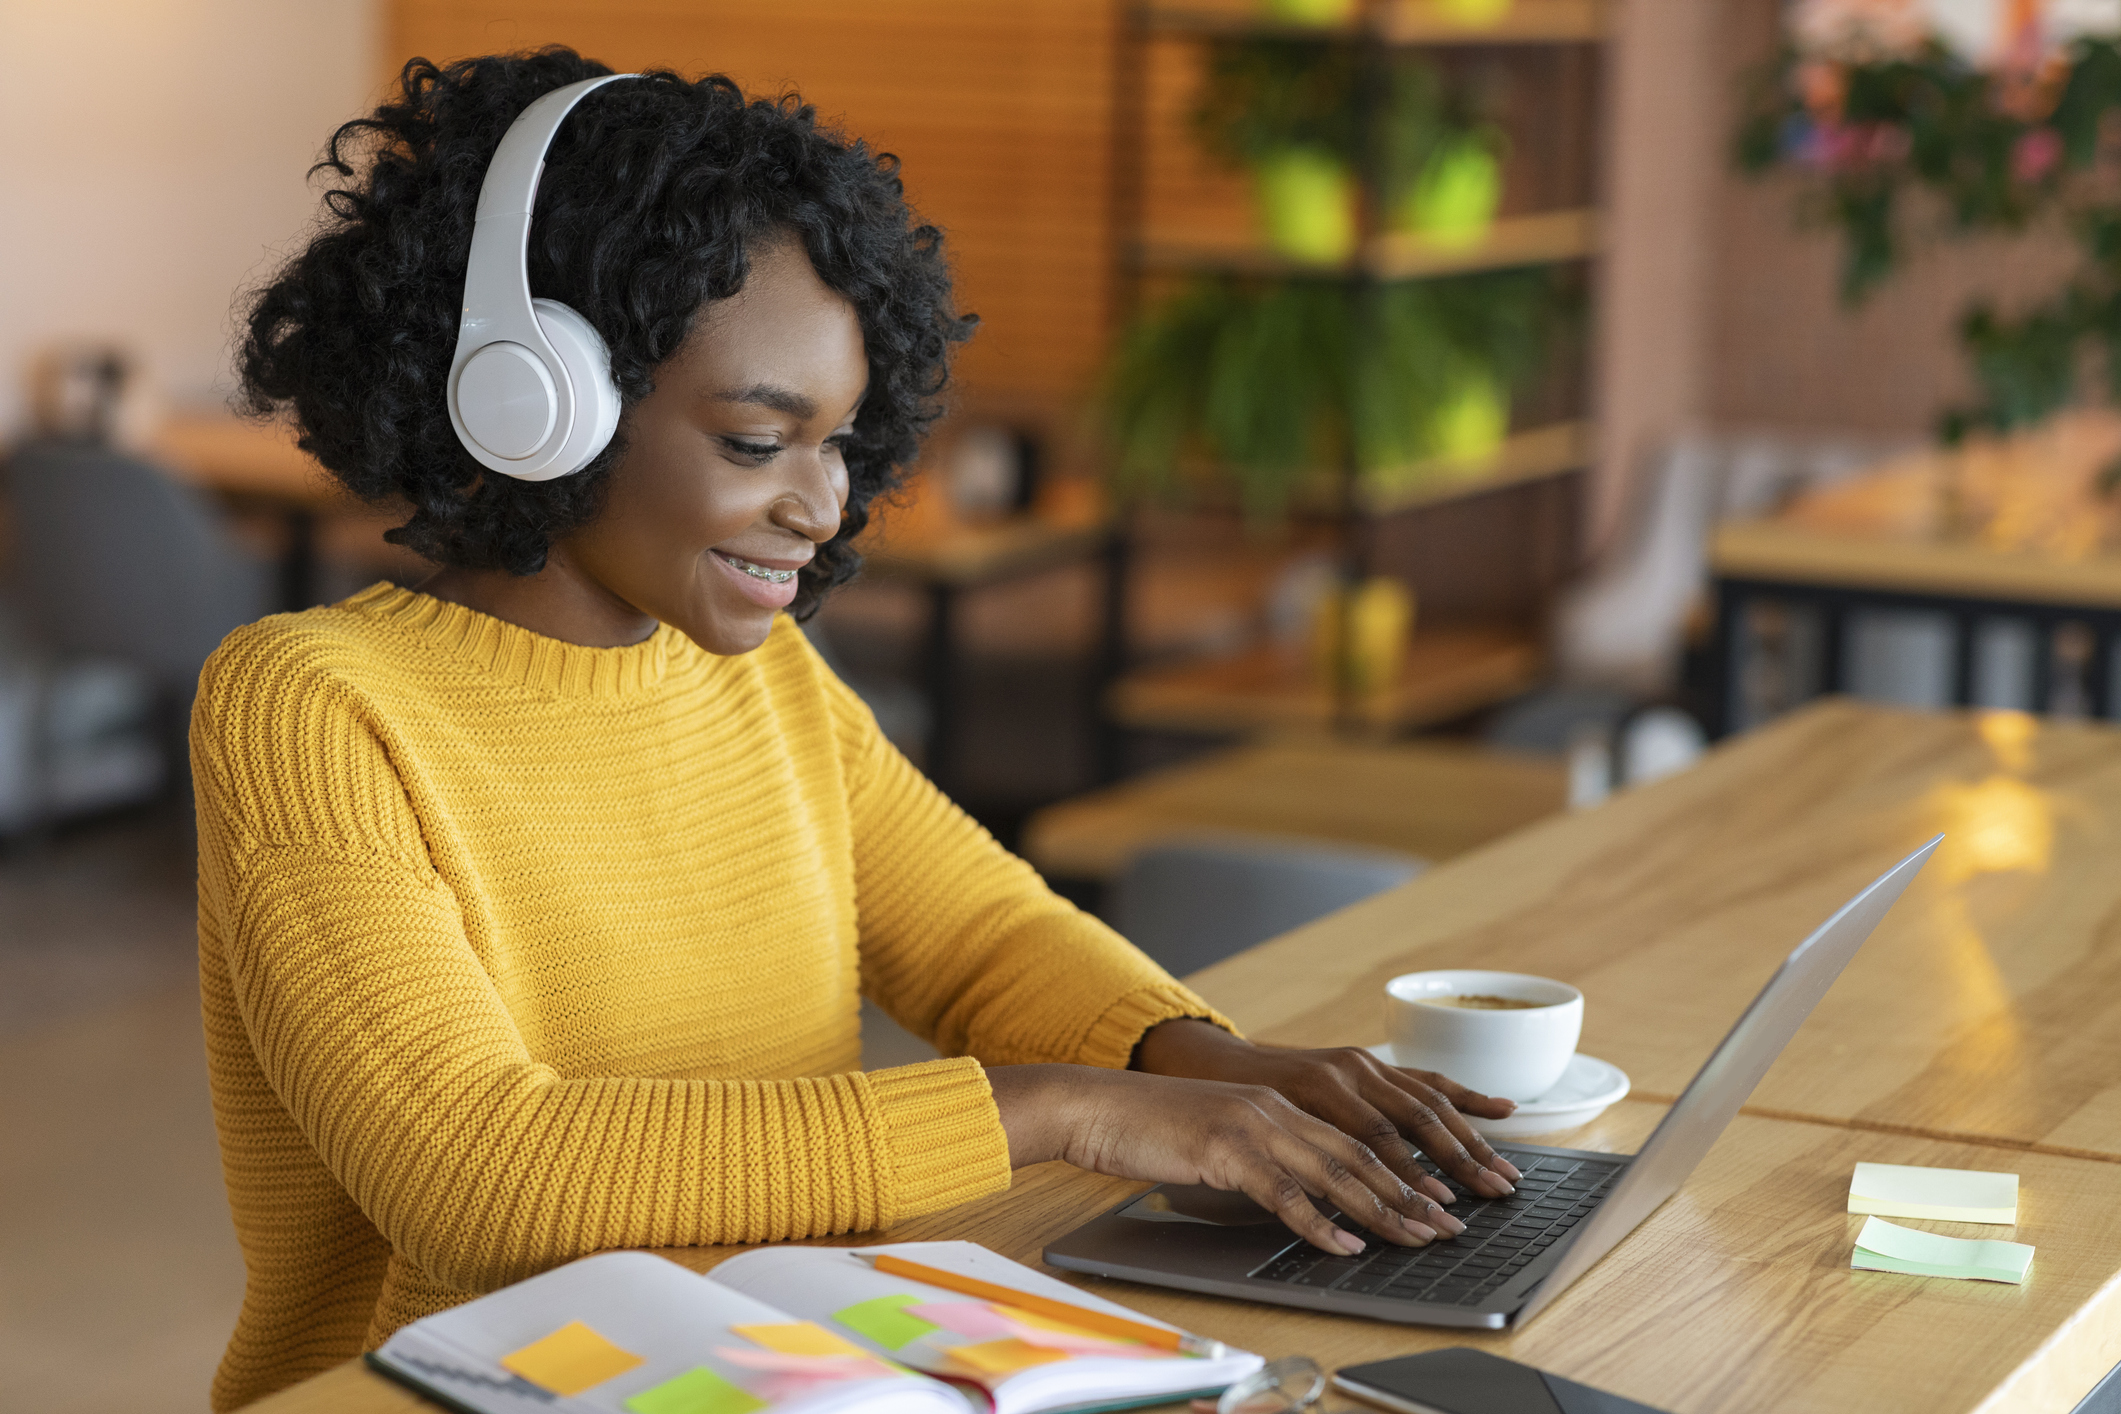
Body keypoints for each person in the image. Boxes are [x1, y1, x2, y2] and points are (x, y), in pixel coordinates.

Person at [198, 48, 1523, 1412]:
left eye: (838, 441)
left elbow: (983, 934)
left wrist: (1210, 1065)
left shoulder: (760, 676)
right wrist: (1062, 1108)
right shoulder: (316, 700)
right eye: (756, 443)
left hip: (762, 1362)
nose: (822, 506)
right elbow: (479, 1168)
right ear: (534, 400)